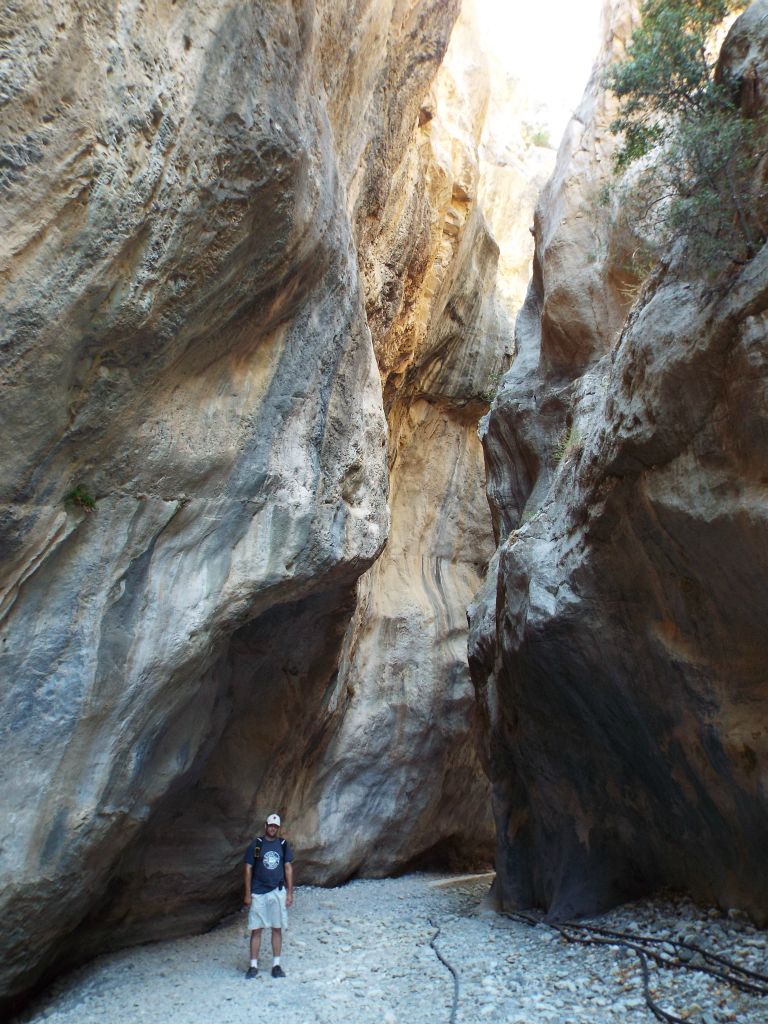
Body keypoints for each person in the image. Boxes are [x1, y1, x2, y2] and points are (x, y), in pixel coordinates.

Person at [243, 813, 294, 978]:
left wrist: (290, 892)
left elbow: (288, 868)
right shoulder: (256, 845)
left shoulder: (283, 845)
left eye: (275, 826)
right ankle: (253, 965)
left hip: (277, 891)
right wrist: (247, 893)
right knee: (256, 929)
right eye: (270, 825)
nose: (272, 828)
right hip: (258, 891)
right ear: (266, 826)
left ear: (278, 828)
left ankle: (276, 965)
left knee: (277, 928)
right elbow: (248, 868)